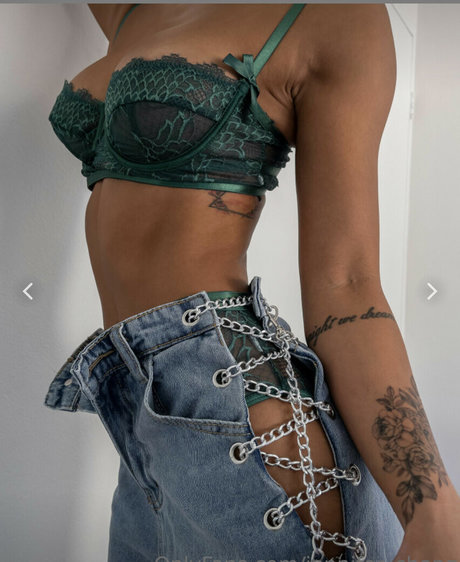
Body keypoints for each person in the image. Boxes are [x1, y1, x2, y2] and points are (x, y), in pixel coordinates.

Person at [43, 4, 460, 561]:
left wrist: (434, 510)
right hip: (135, 419)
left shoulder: (337, 16)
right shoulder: (136, 12)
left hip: (244, 419)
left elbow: (347, 287)